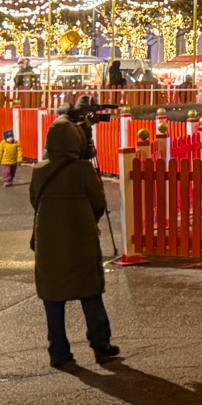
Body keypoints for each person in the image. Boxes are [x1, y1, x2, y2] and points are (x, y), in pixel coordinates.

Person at [31, 117, 121, 369]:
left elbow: (34, 201)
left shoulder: (39, 170)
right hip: (80, 239)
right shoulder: (83, 169)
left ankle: (58, 352)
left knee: (53, 297)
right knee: (90, 292)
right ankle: (101, 345)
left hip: (48, 241)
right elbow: (98, 203)